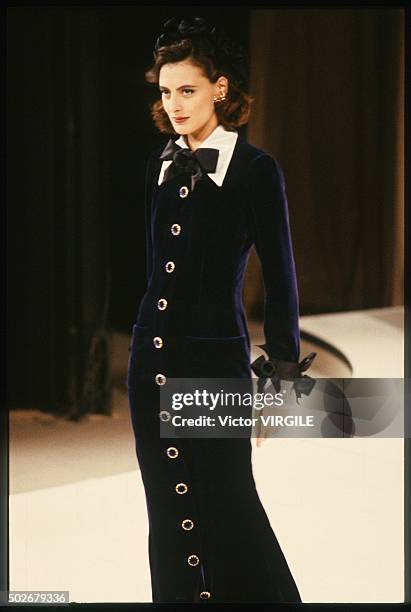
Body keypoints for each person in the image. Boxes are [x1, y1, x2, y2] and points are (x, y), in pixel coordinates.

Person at [127, 16, 315, 604]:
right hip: (149, 362)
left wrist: (279, 380)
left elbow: (282, 281)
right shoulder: (163, 163)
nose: (175, 104)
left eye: (188, 89)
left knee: (228, 506)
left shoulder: (256, 170)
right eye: (165, 90)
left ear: (221, 89)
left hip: (213, 368)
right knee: (168, 509)